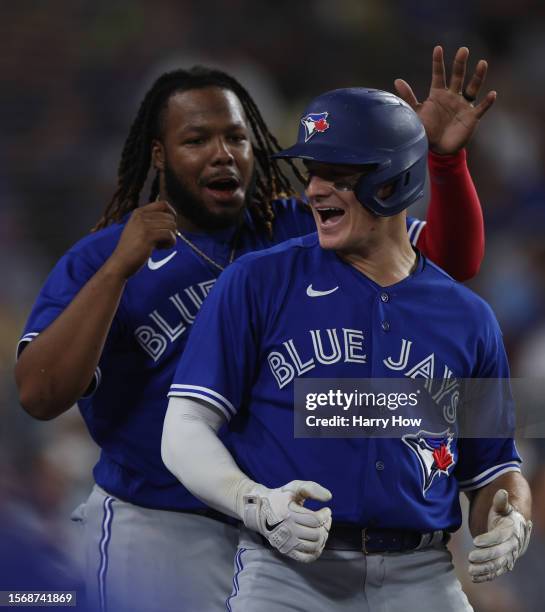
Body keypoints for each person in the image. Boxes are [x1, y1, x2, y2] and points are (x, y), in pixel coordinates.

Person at [16, 47, 491, 611]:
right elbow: (40, 394)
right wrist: (120, 267)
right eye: (197, 141)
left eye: (237, 138)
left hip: (288, 531)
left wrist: (440, 162)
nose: (223, 154)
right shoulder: (103, 257)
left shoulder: (297, 226)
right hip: (165, 523)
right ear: (159, 155)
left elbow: (450, 263)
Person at [162, 86, 533, 611]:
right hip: (286, 574)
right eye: (312, 172)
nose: (315, 190)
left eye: (340, 175)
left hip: (421, 576)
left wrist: (510, 516)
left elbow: (493, 468)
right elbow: (183, 428)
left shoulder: (468, 317)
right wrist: (257, 503)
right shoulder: (258, 281)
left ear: (395, 180)